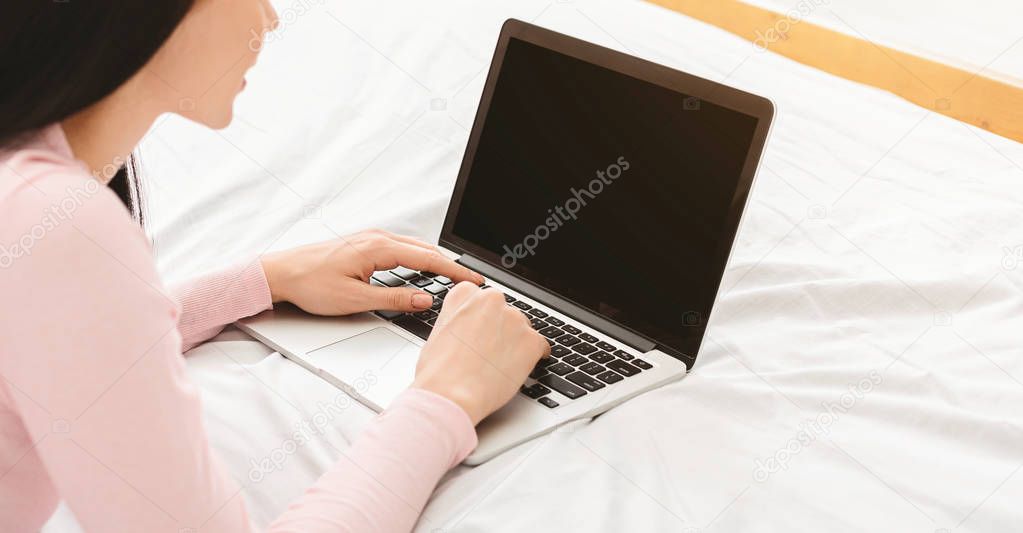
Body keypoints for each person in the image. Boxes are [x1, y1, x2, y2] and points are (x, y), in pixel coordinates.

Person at [0, 2, 548, 531]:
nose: (270, 17)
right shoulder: (57, 223)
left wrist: (265, 281)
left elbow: (65, 351)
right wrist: (444, 400)